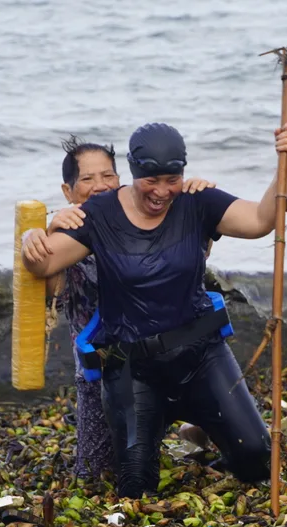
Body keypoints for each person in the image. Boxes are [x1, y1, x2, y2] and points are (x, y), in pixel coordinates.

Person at [22, 120, 287, 498]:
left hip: (201, 357)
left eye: (172, 179)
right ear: (134, 173)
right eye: (151, 180)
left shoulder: (196, 200)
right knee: (136, 488)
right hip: (133, 370)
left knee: (256, 461)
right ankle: (184, 432)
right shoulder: (100, 214)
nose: (161, 191)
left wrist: (284, 165)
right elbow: (43, 266)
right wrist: (32, 235)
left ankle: (200, 430)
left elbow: (260, 221)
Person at [45, 136, 216, 480]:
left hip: (170, 352)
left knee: (232, 438)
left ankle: (191, 427)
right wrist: (40, 234)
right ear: (68, 190)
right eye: (87, 179)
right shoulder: (66, 228)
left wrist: (201, 201)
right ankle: (155, 434)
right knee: (95, 476)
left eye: (107, 176)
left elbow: (197, 256)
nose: (99, 186)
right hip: (105, 369)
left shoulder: (141, 211)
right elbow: (50, 292)